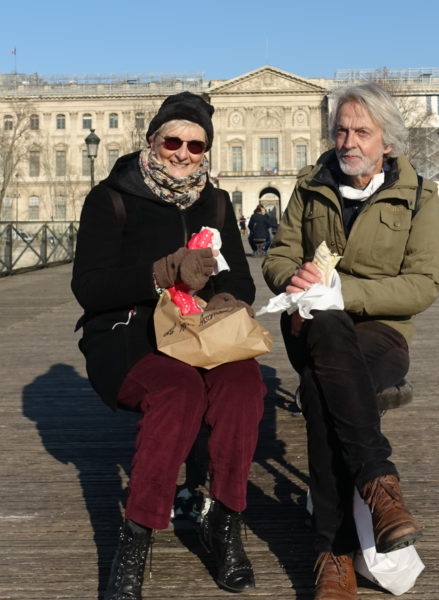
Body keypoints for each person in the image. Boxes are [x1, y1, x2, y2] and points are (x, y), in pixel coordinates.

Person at [71, 91, 266, 599]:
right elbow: (88, 289)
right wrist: (160, 273)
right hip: (127, 336)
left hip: (199, 334)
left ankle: (224, 521)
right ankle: (136, 537)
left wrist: (221, 302)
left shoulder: (217, 203)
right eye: (173, 141)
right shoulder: (109, 197)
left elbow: (242, 284)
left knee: (244, 384)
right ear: (152, 141)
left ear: (207, 152)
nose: (183, 153)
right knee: (178, 393)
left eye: (196, 146)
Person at [262, 82, 439, 599]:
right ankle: (378, 483)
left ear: (387, 140)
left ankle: (334, 552)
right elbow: (277, 256)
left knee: (322, 392)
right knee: (326, 334)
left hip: (383, 334)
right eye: (341, 130)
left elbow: (424, 284)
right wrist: (291, 279)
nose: (349, 141)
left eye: (362, 131)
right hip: (310, 325)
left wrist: (345, 292)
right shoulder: (310, 186)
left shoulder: (419, 197)